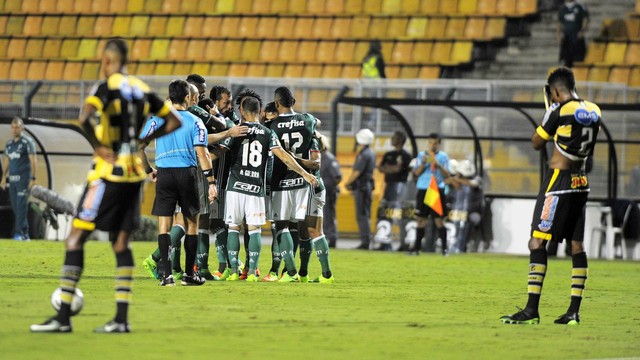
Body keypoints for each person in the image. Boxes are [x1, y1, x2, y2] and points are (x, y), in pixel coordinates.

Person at [30, 38, 182, 333]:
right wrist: (139, 141)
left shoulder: (104, 87)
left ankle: (62, 318)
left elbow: (83, 118)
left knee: (75, 239)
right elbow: (173, 121)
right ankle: (121, 320)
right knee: (121, 243)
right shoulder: (142, 88)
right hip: (133, 174)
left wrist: (99, 146)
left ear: (108, 60)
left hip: (106, 174)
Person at [501, 67, 601, 325]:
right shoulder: (594, 110)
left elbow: (536, 142)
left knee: (537, 243)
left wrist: (547, 117)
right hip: (581, 181)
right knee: (576, 246)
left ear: (556, 91)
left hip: (559, 181)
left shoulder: (558, 111)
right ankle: (573, 312)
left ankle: (531, 309)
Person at [216, 95, 318, 282]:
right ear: (260, 111)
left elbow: (218, 152)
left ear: (242, 111)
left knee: (232, 227)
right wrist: (305, 173)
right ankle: (253, 271)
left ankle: (232, 270)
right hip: (256, 188)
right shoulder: (267, 132)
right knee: (254, 229)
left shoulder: (237, 131)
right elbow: (284, 157)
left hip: (235, 185)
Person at [140, 79, 218, 287]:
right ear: (186, 97)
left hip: (164, 174)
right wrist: (211, 181)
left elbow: (138, 146)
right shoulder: (195, 121)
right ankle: (189, 276)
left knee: (164, 227)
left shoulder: (157, 120)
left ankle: (167, 276)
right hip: (187, 175)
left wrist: (148, 170)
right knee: (191, 225)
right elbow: (202, 154)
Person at [267, 86, 318, 282]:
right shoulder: (307, 120)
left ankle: (290, 271)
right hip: (302, 181)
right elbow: (316, 125)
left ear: (277, 103)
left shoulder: (273, 126)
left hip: (281, 180)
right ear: (294, 102)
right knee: (302, 226)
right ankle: (304, 272)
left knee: (282, 226)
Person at [408, 133, 451, 255]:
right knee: (421, 219)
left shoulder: (443, 157)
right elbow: (416, 173)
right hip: (423, 188)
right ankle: (416, 248)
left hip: (437, 189)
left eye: (435, 143)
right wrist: (424, 163)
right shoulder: (421, 155)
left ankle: (444, 249)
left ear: (439, 144)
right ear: (428, 143)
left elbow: (447, 175)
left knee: (439, 220)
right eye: (431, 143)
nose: (433, 145)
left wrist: (437, 165)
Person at [374, 130, 412, 250]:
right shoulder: (388, 154)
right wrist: (393, 168)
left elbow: (398, 169)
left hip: (400, 187)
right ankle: (385, 243)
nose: (391, 139)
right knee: (385, 213)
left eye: (394, 137)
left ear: (400, 140)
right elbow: (380, 168)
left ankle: (403, 244)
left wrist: (389, 168)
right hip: (388, 186)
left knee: (399, 214)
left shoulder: (406, 156)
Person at [1, 117, 37, 241]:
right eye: (13, 127)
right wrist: (3, 177)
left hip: (23, 179)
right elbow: (7, 160)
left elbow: (33, 160)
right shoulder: (9, 144)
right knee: (16, 207)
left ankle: (19, 233)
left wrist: (33, 178)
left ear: (22, 128)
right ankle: (25, 233)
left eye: (17, 127)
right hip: (12, 179)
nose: (14, 129)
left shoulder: (27, 142)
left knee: (21, 206)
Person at [344, 128, 376, 250]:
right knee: (365, 214)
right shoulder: (371, 153)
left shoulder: (363, 155)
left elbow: (357, 172)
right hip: (367, 186)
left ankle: (365, 242)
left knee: (362, 214)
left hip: (362, 188)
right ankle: (366, 240)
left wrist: (348, 183)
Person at [319, 134, 342, 248]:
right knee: (323, 216)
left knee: (329, 215)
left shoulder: (329, 158)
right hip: (322, 192)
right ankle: (326, 237)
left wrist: (330, 187)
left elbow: (337, 176)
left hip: (329, 192)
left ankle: (332, 238)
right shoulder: (319, 157)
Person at [557, 0, 589, 68]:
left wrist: (582, 32)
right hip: (567, 38)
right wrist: (558, 35)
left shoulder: (580, 7)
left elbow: (585, 19)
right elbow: (559, 23)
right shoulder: (562, 8)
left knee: (578, 60)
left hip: (576, 37)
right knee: (567, 61)